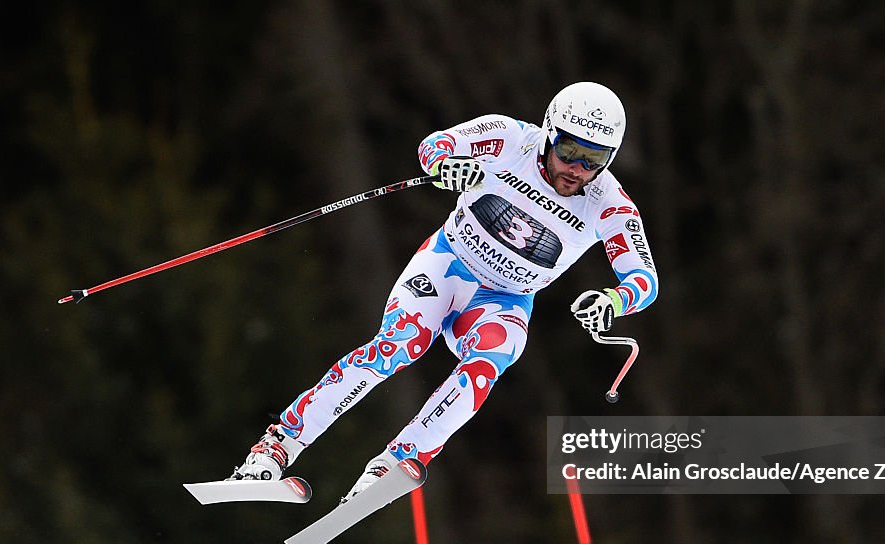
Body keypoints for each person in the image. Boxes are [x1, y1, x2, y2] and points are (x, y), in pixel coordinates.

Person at [228, 82, 659, 500]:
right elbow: (435, 145)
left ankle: (395, 462)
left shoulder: (608, 202)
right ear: (549, 133)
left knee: (492, 358)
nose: (577, 169)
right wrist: (446, 165)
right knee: (398, 345)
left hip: (504, 299)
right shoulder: (512, 139)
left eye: (594, 159)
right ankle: (277, 446)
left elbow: (644, 279)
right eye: (569, 151)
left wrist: (614, 300)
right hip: (448, 267)